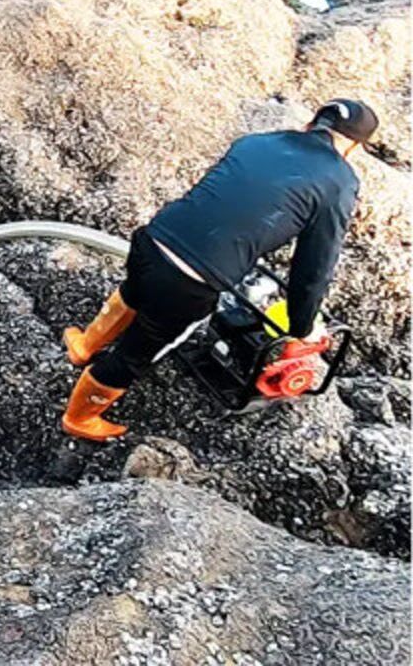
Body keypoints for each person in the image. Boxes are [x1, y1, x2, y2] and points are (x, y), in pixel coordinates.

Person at [60, 99, 379, 441]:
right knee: (139, 352)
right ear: (354, 147)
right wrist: (301, 327)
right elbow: (314, 267)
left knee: (134, 292)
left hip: (152, 240)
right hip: (189, 282)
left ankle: (84, 346)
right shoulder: (340, 182)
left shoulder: (260, 140)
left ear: (311, 124)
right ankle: (80, 416)